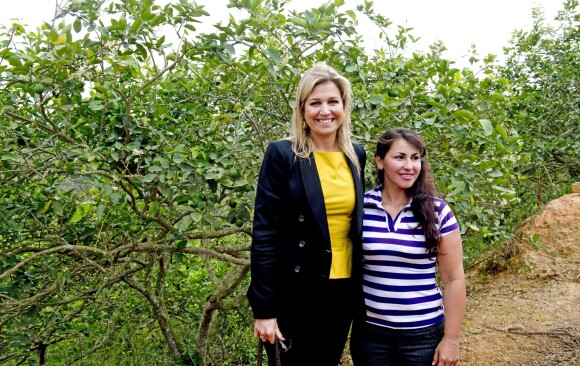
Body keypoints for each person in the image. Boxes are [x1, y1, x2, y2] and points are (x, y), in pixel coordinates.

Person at [247, 62, 366, 366]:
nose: (324, 111)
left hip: (344, 289)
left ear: (344, 106)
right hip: (297, 292)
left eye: (332, 102)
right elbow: (264, 235)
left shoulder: (356, 156)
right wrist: (265, 309)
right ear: (302, 110)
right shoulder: (283, 155)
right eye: (315, 103)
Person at [350, 127, 466, 366]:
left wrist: (451, 340)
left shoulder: (438, 211)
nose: (409, 166)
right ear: (380, 162)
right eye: (400, 157)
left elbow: (454, 278)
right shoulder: (361, 207)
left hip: (423, 338)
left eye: (415, 158)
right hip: (371, 336)